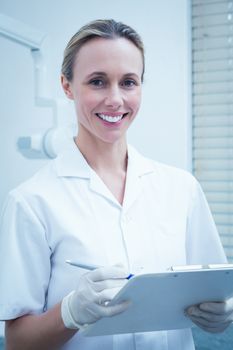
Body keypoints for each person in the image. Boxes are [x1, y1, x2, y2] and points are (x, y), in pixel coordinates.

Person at [0, 19, 233, 350]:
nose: (114, 99)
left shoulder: (182, 189)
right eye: (97, 81)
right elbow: (17, 342)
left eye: (128, 82)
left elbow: (214, 292)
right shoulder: (31, 202)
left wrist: (222, 313)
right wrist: (69, 313)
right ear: (66, 86)